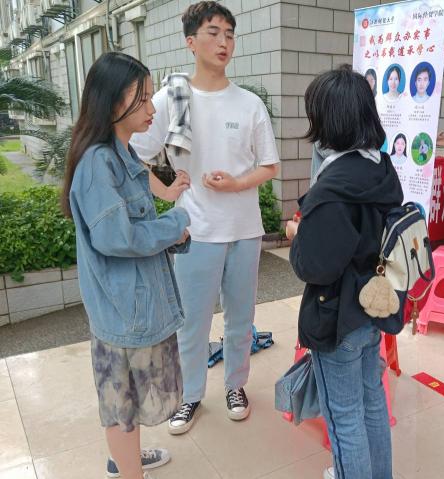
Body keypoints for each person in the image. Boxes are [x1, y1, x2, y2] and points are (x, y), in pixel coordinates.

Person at [131, 1, 279, 432]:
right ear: (191, 42)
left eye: (230, 34)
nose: (223, 42)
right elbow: (133, 153)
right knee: (192, 322)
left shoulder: (249, 103)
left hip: (244, 230)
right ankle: (190, 395)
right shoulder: (172, 98)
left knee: (241, 318)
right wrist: (164, 190)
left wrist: (236, 184)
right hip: (194, 231)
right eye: (213, 33)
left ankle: (236, 385)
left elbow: (269, 166)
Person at [61, 52, 190, 479]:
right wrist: (174, 225)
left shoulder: (120, 153)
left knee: (125, 401)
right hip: (123, 310)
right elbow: (116, 237)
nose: (153, 108)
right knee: (121, 406)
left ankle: (126, 461)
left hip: (129, 304)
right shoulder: (98, 162)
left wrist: (170, 228)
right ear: (114, 100)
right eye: (144, 98)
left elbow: (131, 225)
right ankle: (128, 470)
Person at [286, 66, 403, 479]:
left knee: (344, 417)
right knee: (372, 403)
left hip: (338, 316)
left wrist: (297, 235)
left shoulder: (333, 188)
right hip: (374, 307)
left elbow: (315, 266)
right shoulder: (381, 168)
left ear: (327, 121)